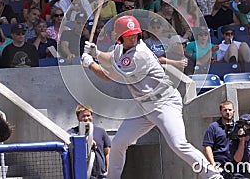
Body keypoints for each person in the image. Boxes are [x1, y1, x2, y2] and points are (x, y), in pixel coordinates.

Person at [81, 15, 223, 179]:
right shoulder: (120, 49)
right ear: (120, 37)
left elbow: (108, 75)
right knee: (119, 143)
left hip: (164, 103)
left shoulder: (139, 54)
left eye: (135, 33)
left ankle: (212, 175)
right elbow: (112, 59)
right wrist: (96, 53)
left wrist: (90, 63)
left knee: (178, 144)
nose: (133, 37)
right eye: (129, 34)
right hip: (143, 106)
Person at [67, 105, 111, 179]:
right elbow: (69, 142)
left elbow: (108, 153)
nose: (86, 118)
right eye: (83, 116)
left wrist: (108, 170)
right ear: (78, 118)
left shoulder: (101, 132)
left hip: (100, 174)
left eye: (88, 115)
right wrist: (85, 140)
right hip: (81, 174)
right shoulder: (72, 132)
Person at [203, 100, 236, 178]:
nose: (228, 112)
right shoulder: (213, 127)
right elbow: (207, 147)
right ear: (221, 112)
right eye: (225, 110)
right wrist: (213, 164)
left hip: (235, 167)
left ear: (234, 111)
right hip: (219, 166)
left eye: (230, 110)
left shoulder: (238, 127)